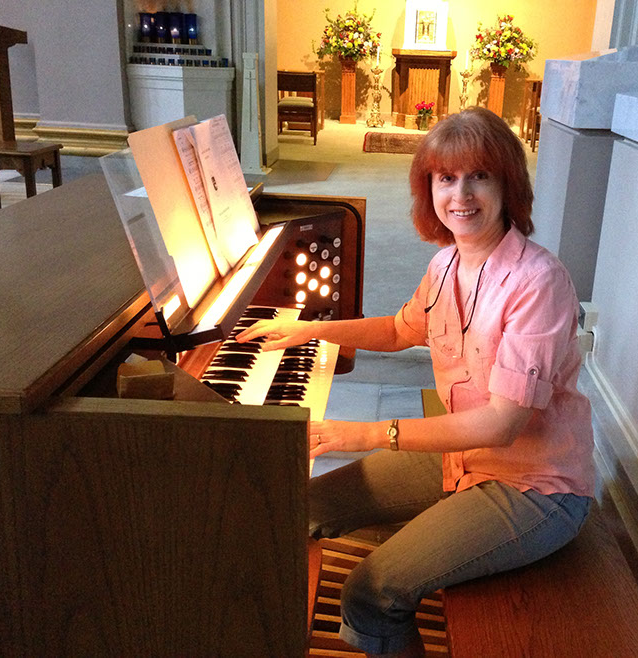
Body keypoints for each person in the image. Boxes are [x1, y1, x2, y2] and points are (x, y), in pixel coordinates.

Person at [237, 107, 595, 658]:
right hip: (462, 457)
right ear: (429, 188)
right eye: (446, 178)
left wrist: (367, 434)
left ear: (508, 185)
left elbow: (501, 425)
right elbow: (399, 330)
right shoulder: (446, 265)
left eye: (479, 176)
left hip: (535, 488)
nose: (461, 195)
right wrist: (308, 329)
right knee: (299, 508)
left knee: (372, 591)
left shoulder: (539, 282)